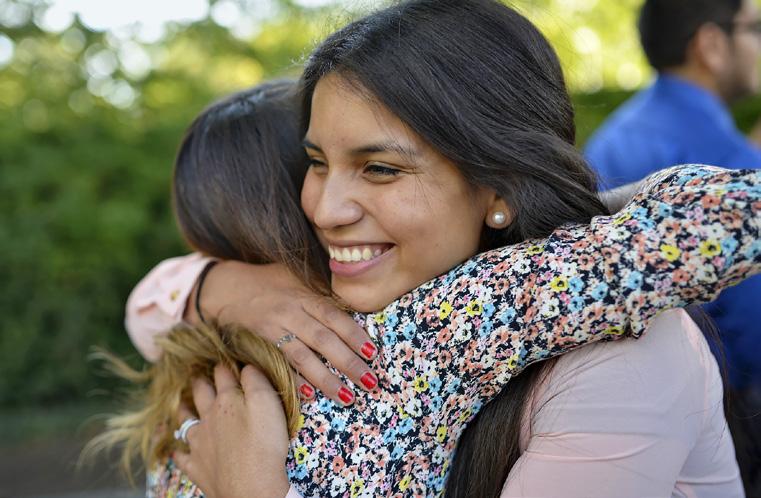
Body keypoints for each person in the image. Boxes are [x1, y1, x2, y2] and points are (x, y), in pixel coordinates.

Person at [120, 0, 761, 496]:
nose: (324, 208)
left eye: (380, 169)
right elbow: (708, 229)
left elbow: (148, 308)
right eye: (314, 165)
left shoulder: (178, 405)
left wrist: (215, 287)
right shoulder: (439, 327)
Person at [584, 0, 761, 490]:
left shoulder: (619, 131)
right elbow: (752, 323)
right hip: (722, 410)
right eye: (755, 28)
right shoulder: (721, 160)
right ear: (710, 44)